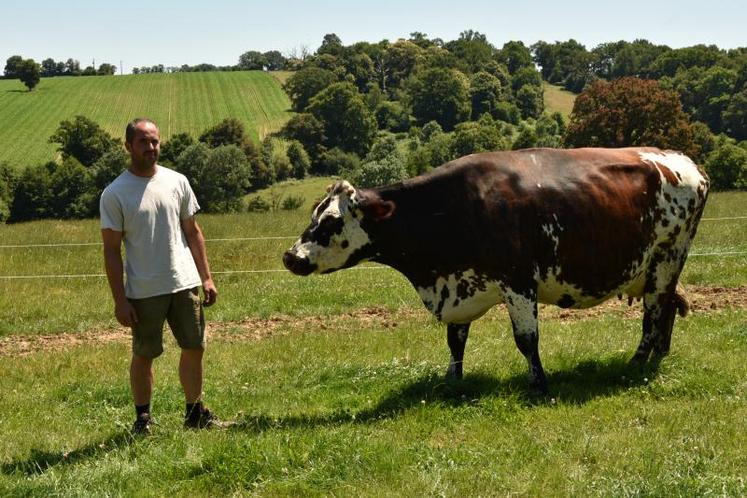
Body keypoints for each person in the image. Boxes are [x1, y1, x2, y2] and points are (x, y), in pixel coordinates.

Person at [100, 118, 220, 435]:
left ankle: (194, 412)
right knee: (144, 354)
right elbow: (111, 251)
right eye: (143, 141)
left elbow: (193, 232)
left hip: (184, 283)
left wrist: (206, 277)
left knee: (194, 346)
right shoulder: (114, 194)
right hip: (144, 291)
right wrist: (120, 300)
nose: (150, 147)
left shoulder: (177, 181)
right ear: (128, 146)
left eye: (154, 141)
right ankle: (143, 419)